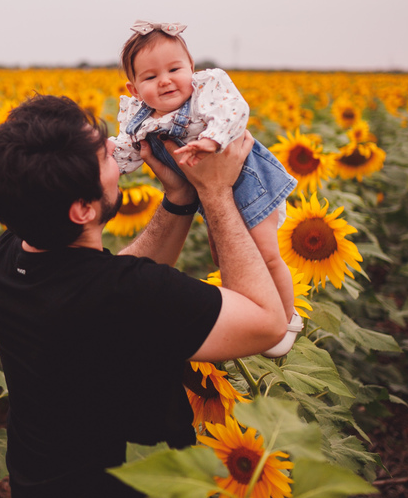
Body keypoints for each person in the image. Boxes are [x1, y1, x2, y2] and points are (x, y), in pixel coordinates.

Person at [0, 94, 288, 498]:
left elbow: (102, 276)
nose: (115, 152)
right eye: (103, 155)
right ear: (82, 209)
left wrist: (179, 199)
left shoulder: (9, 259)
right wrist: (216, 194)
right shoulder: (130, 297)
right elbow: (269, 323)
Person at [110, 20, 302, 358]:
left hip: (249, 184)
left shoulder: (206, 93)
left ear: (192, 69)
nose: (166, 80)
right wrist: (108, 160)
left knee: (266, 256)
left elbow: (234, 111)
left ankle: (284, 321)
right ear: (134, 90)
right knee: (226, 257)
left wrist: (213, 139)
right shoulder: (139, 118)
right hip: (212, 195)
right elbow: (126, 151)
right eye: (151, 77)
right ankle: (257, 312)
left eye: (174, 68)